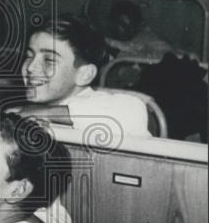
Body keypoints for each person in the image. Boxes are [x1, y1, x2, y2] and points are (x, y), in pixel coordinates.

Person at [13, 16, 150, 139]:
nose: (30, 67)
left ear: (85, 74)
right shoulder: (32, 111)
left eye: (49, 60)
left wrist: (42, 113)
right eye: (29, 56)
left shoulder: (115, 108)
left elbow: (133, 110)